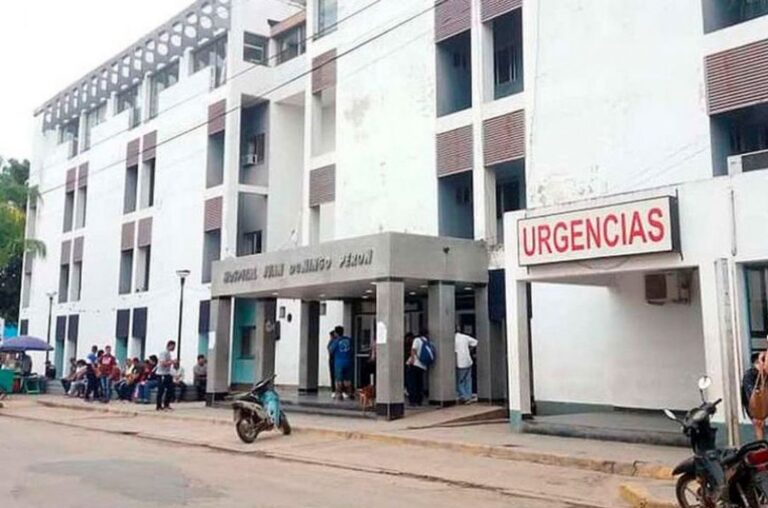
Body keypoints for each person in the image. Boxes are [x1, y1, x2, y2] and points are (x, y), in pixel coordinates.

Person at [743, 351, 768, 440]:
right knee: (759, 426)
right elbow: (750, 395)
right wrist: (754, 414)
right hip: (755, 407)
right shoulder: (750, 375)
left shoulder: (764, 374)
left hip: (761, 405)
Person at [406, 330, 430, 406]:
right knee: (420, 383)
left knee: (412, 383)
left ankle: (412, 401)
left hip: (415, 364)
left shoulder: (417, 340)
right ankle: (419, 400)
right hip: (422, 365)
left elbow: (413, 350)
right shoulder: (426, 341)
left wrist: (412, 360)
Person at [329, 326, 353, 400]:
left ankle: (339, 395)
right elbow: (352, 349)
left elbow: (331, 350)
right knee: (347, 380)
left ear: (336, 333)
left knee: (338, 380)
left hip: (339, 362)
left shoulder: (336, 341)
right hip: (348, 361)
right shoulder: (348, 340)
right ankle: (349, 393)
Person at [454, 329, 478, 404]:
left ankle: (464, 397)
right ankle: (469, 396)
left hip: (460, 362)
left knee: (460, 381)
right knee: (468, 380)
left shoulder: (453, 339)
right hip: (468, 360)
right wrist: (469, 349)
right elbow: (475, 342)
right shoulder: (464, 337)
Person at [155, 341, 176, 411]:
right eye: (173, 346)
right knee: (161, 390)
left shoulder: (168, 353)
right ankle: (158, 406)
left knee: (170, 388)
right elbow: (163, 363)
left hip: (167, 373)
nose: (174, 348)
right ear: (169, 345)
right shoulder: (163, 353)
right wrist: (172, 362)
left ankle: (166, 404)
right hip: (161, 374)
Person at [327, 330, 338, 398]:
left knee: (334, 375)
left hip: (334, 360)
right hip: (333, 360)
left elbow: (330, 350)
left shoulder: (335, 342)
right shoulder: (332, 342)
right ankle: (334, 390)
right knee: (333, 375)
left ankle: (335, 390)